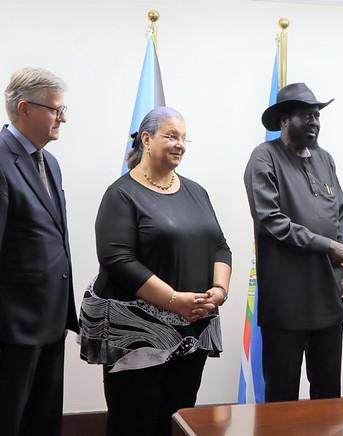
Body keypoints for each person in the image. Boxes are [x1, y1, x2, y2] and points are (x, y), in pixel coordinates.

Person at [78, 107, 232, 436]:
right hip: (138, 337)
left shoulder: (196, 191)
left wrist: (218, 292)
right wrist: (174, 300)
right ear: (146, 139)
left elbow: (220, 246)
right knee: (134, 423)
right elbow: (118, 260)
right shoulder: (121, 194)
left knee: (176, 420)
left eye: (184, 138)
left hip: (193, 330)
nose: (180, 144)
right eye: (172, 136)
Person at [244, 82, 343, 402]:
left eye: (316, 115)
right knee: (282, 398)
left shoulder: (325, 159)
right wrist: (328, 246)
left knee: (328, 395)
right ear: (284, 120)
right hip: (287, 301)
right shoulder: (264, 157)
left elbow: (340, 216)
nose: (314, 121)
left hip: (329, 295)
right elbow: (271, 221)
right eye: (306, 115)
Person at [0, 67, 78, 436]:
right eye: (55, 109)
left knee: (43, 422)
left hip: (50, 321)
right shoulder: (2, 159)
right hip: (12, 328)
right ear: (24, 108)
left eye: (63, 109)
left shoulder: (51, 163)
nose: (63, 117)